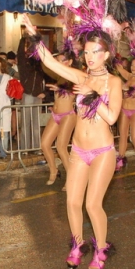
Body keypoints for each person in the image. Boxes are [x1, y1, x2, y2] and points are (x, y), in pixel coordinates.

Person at [22, 15, 122, 269]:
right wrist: (34, 35)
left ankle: (100, 249)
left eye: (95, 52)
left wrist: (94, 96)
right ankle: (77, 246)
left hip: (102, 151)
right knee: (72, 202)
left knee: (92, 204)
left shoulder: (113, 83)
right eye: (87, 51)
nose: (89, 56)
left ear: (107, 55)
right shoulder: (80, 77)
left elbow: (112, 117)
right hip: (79, 150)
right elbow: (49, 61)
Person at [40, 51, 77, 184]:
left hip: (68, 115)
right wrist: (41, 52)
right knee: (44, 144)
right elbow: (45, 67)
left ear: (70, 62)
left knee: (61, 147)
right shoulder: (59, 75)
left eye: (62, 61)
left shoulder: (74, 75)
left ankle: (71, 179)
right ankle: (54, 170)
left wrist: (60, 89)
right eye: (58, 61)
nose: (60, 63)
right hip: (55, 114)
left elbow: (75, 90)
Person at [114, 57, 135, 174]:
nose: (133, 68)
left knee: (134, 138)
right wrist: (115, 58)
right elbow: (119, 69)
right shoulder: (129, 76)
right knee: (122, 136)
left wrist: (131, 91)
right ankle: (120, 159)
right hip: (124, 110)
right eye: (132, 65)